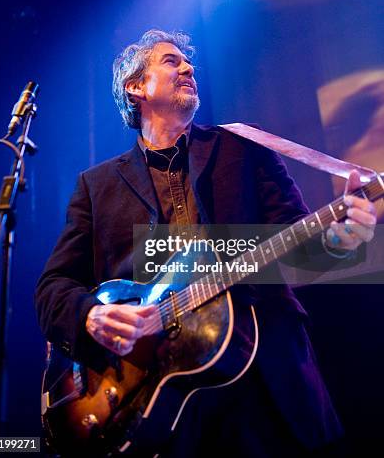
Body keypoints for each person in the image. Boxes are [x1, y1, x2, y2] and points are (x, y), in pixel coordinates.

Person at [35, 29, 377, 457]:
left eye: (188, 61)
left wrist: (339, 240)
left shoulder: (246, 148)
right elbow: (52, 288)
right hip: (155, 407)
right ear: (136, 87)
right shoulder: (96, 185)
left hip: (265, 383)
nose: (188, 67)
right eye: (171, 61)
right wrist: (90, 317)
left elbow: (299, 244)